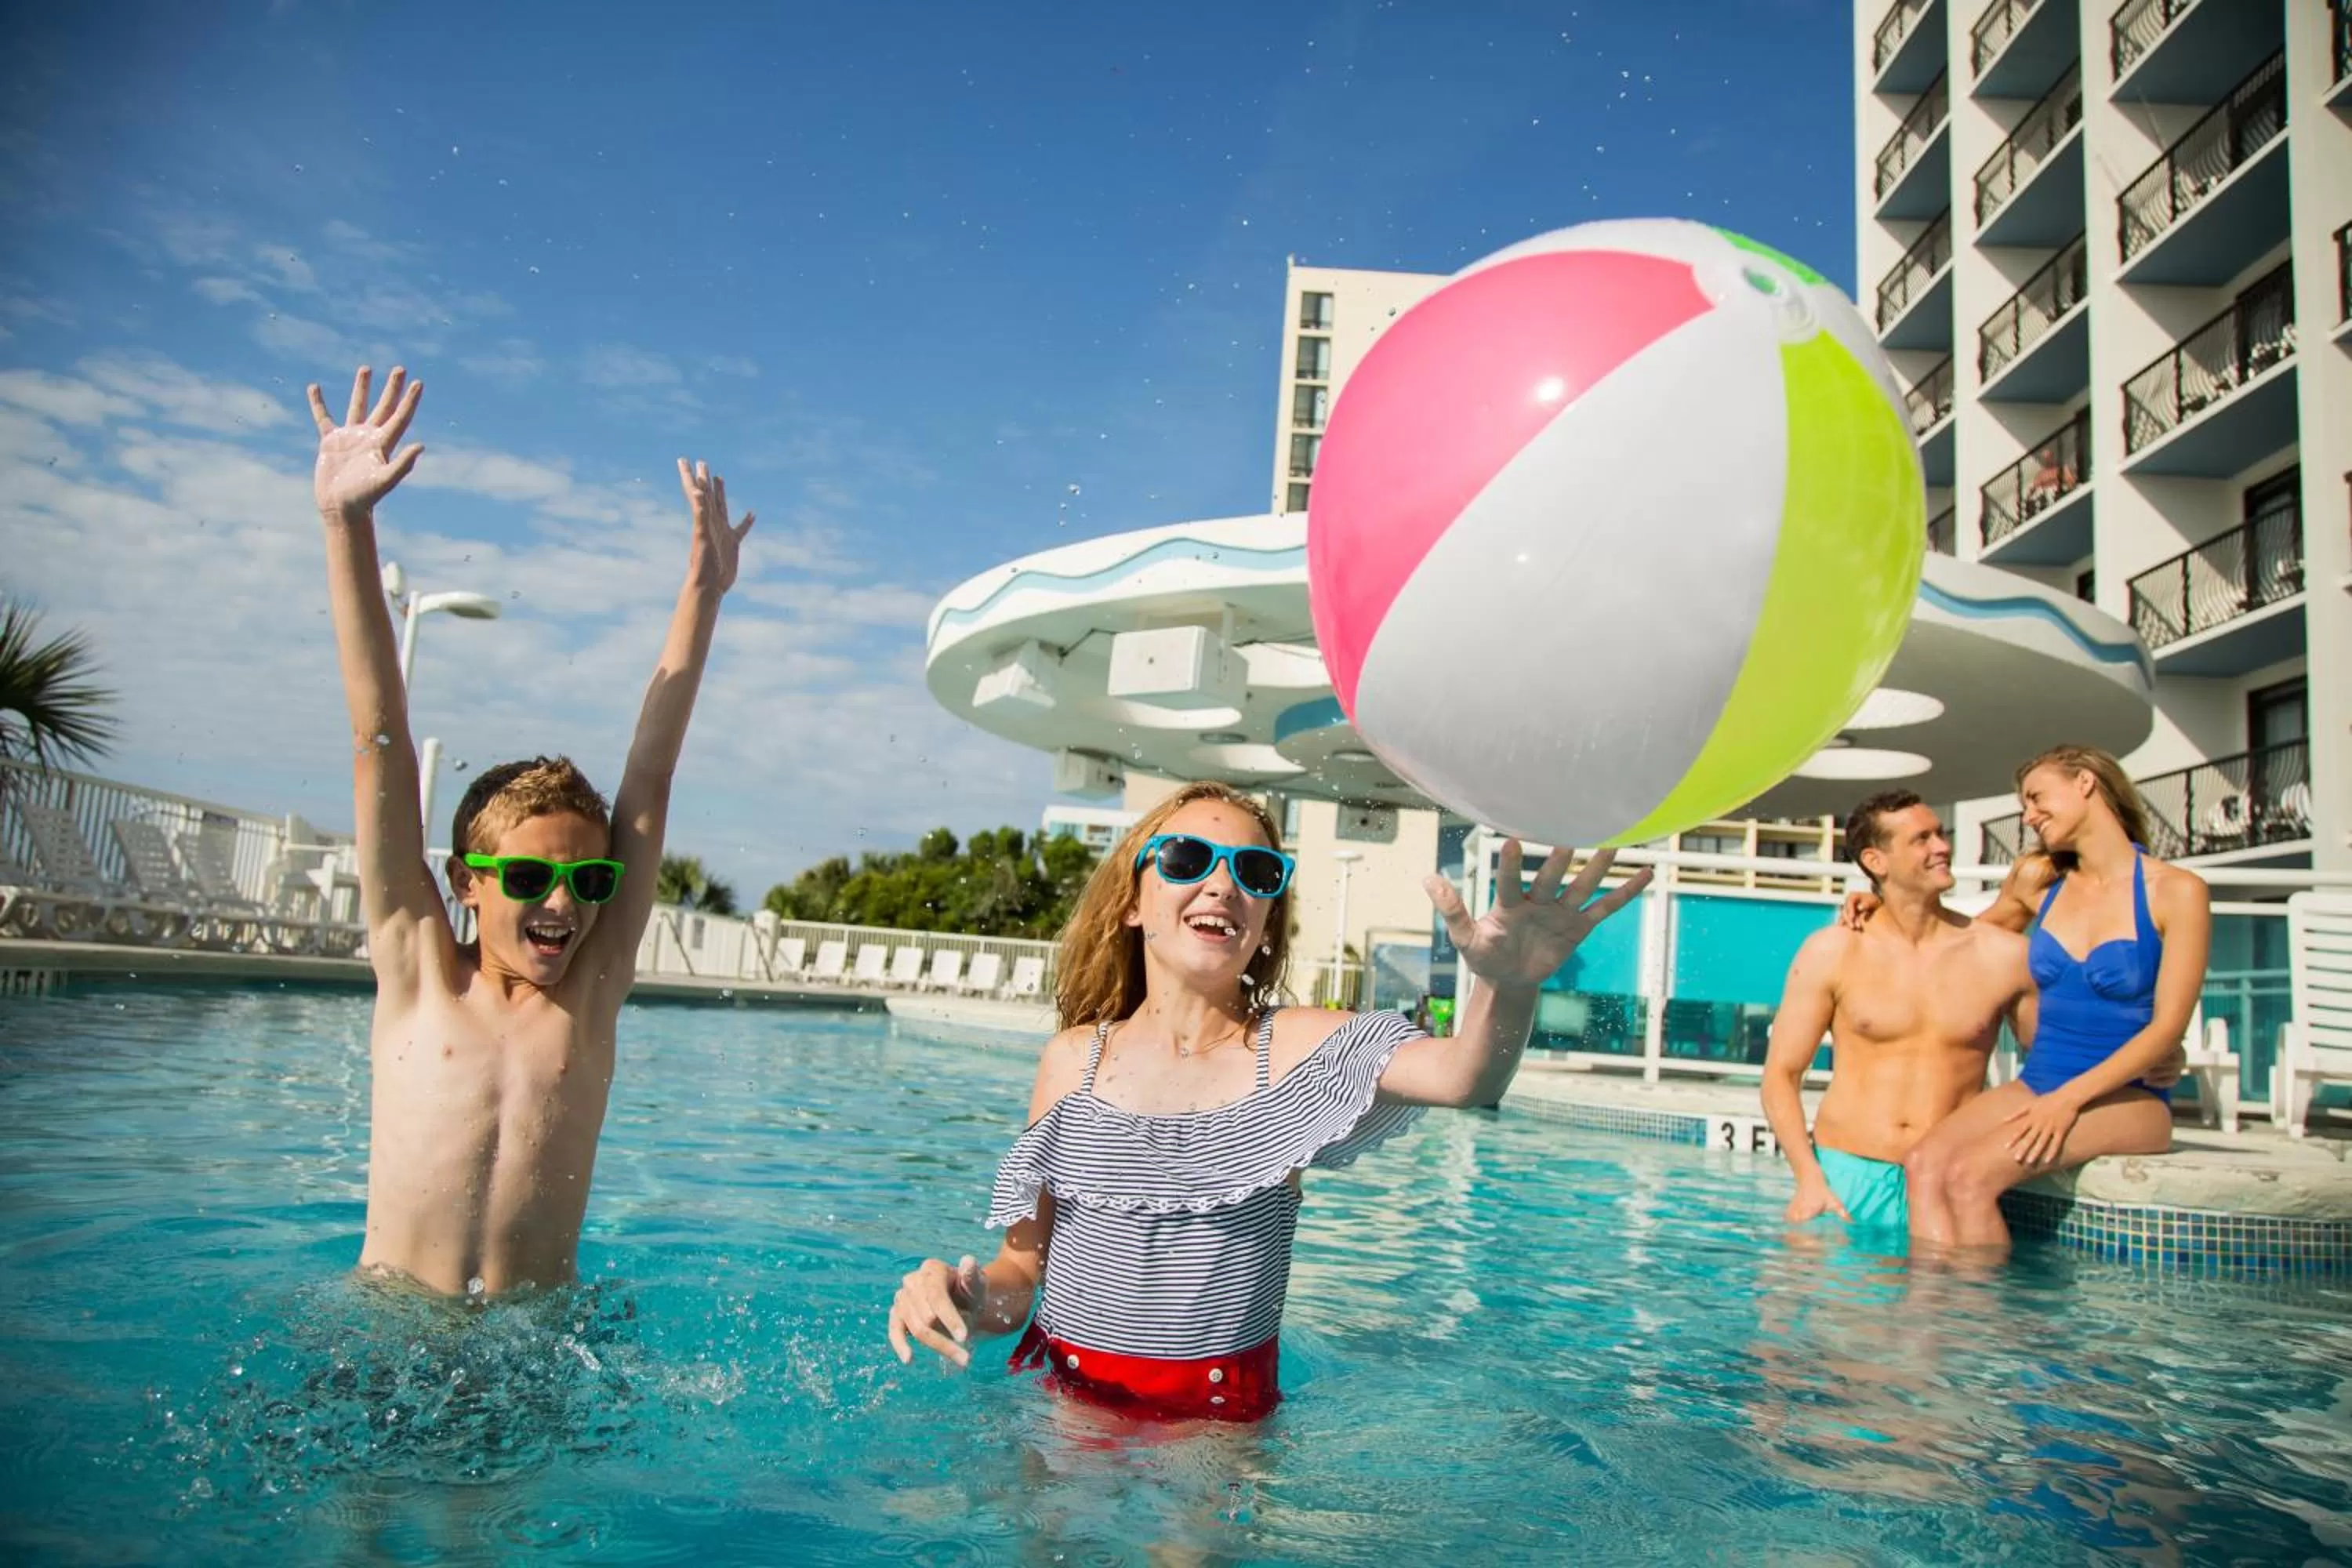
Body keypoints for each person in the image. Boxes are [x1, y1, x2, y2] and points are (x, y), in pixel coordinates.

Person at [885, 782, 1651, 1420]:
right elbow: (1023, 1273)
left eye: (1255, 870)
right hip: (1061, 1400)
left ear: (1263, 922)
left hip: (1212, 1429)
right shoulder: (1071, 1063)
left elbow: (1464, 1078)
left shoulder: (1293, 1055)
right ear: (1131, 901)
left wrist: (1508, 986)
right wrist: (962, 1292)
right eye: (1188, 858)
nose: (1223, 883)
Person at [310, 364, 753, 1296]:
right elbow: (377, 742)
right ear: (466, 879)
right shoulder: (417, 967)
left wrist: (703, 595)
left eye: (591, 882)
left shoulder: (589, 993)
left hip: (536, 1347)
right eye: (528, 880)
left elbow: (651, 773)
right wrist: (347, 528)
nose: (564, 904)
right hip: (392, 1335)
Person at [1853, 747, 2209, 1254]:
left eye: (2037, 798)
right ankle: (1929, 1317)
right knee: (1923, 1164)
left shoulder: (2177, 892)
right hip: (2040, 1083)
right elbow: (1960, 939)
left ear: (2085, 782)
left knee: (1972, 1179)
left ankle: (1984, 1329)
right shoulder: (2042, 879)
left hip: (2131, 1099)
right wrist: (1885, 903)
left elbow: (2167, 1029)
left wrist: (2067, 1102)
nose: (2029, 815)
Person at [1759, 791, 2036, 1247]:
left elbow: (2052, 1066)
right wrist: (1809, 1178)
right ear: (1876, 860)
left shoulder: (2005, 956)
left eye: (1941, 834)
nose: (1942, 847)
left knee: (1957, 1320)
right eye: (1921, 839)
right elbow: (1781, 1076)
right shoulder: (1834, 950)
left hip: (1951, 1180)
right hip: (1847, 1179)